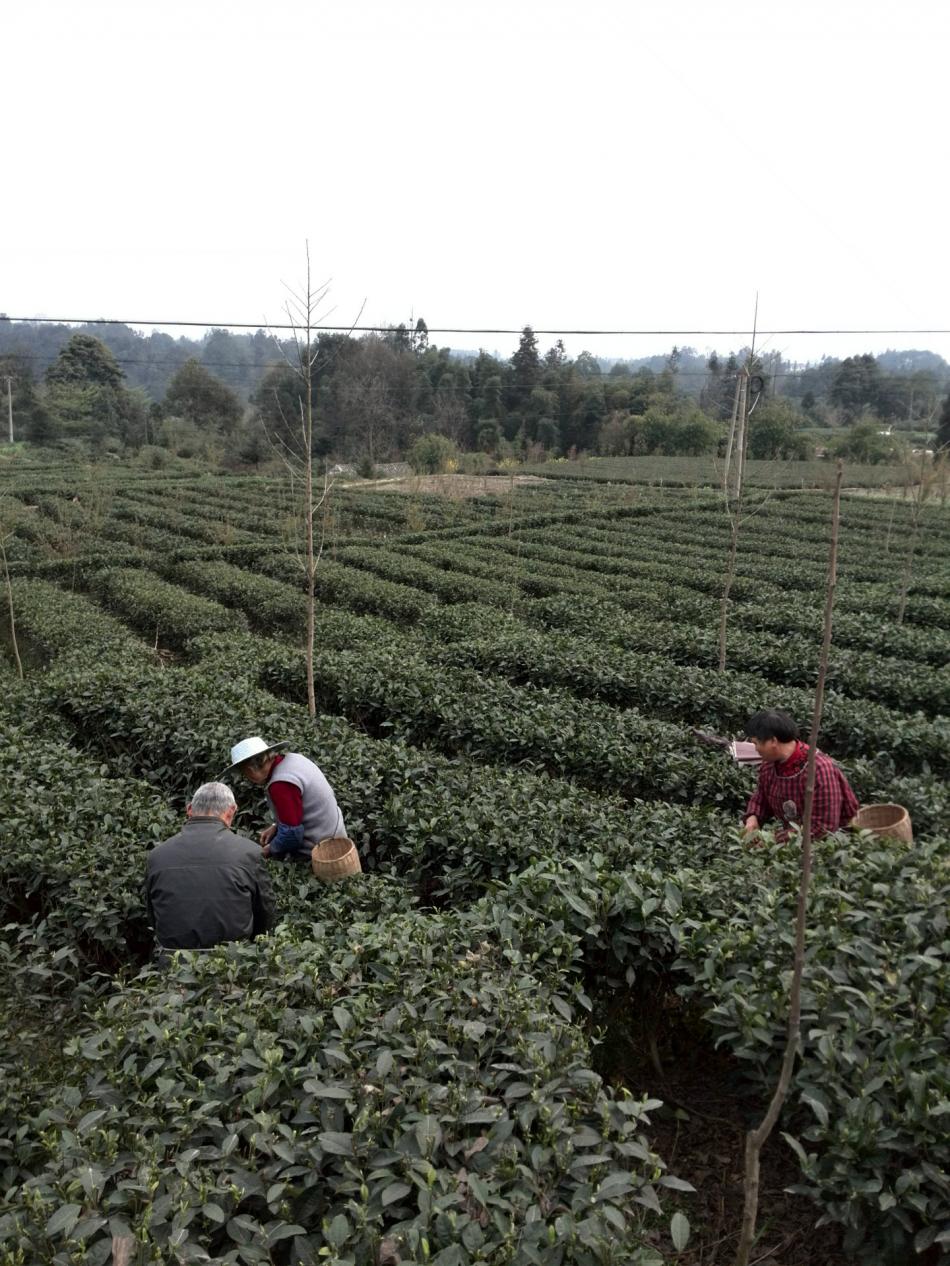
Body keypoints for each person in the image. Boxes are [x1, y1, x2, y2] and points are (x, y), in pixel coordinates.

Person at [145, 781, 275, 952]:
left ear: (189, 809)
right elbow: (265, 914)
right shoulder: (249, 853)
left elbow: (153, 916)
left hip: (174, 964)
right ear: (231, 812)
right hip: (234, 964)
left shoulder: (157, 856)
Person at [742, 709, 859, 842]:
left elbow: (822, 828)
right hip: (793, 842)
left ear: (773, 741)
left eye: (755, 743)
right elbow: (761, 797)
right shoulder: (770, 764)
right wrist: (753, 818)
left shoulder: (819, 769)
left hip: (833, 845)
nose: (755, 749)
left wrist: (772, 841)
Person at [223, 736, 346, 862]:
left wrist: (266, 851)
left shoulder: (280, 784)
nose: (247, 778)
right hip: (335, 830)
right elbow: (298, 810)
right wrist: (276, 826)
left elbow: (292, 835)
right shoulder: (293, 759)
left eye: (244, 773)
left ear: (250, 769)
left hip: (322, 848)